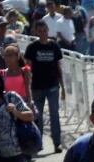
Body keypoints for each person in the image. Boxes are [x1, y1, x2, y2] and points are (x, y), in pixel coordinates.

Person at [24, 20, 66, 153]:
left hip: (53, 85)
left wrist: (63, 87)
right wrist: (27, 86)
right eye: (40, 31)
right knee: (38, 116)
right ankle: (38, 142)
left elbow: (58, 67)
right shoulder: (32, 47)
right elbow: (28, 67)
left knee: (54, 115)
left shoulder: (54, 46)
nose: (42, 33)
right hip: (37, 86)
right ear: (36, 32)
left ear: (48, 30)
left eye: (44, 31)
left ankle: (57, 143)